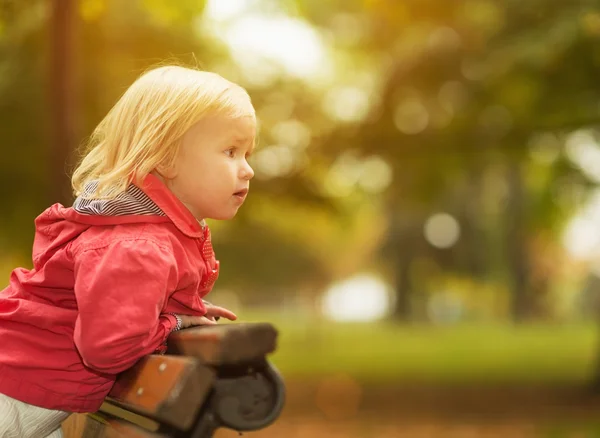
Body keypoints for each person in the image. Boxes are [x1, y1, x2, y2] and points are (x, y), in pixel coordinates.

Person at [0, 65, 256, 437]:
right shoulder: (140, 245)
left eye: (248, 153)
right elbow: (107, 348)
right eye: (230, 151)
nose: (247, 169)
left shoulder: (144, 234)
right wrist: (176, 322)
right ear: (166, 159)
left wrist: (177, 308)